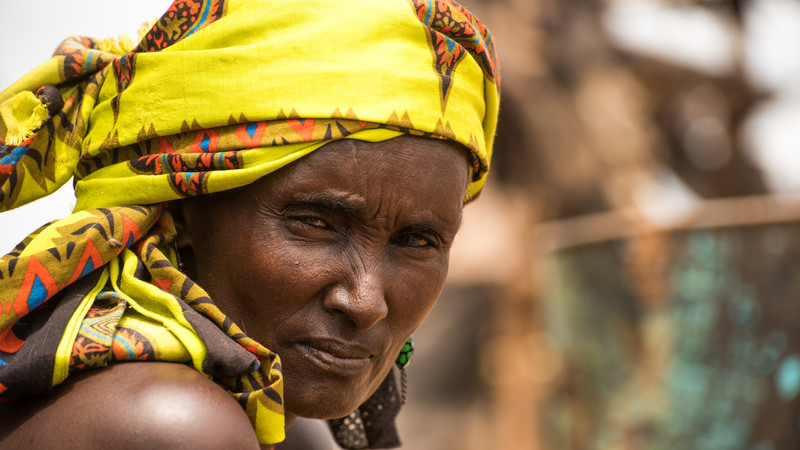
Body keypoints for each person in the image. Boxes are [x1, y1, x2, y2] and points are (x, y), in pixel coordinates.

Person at [0, 0, 499, 448]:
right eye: (315, 223)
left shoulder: (270, 411)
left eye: (417, 240)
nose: (366, 302)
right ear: (183, 205)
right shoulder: (175, 425)